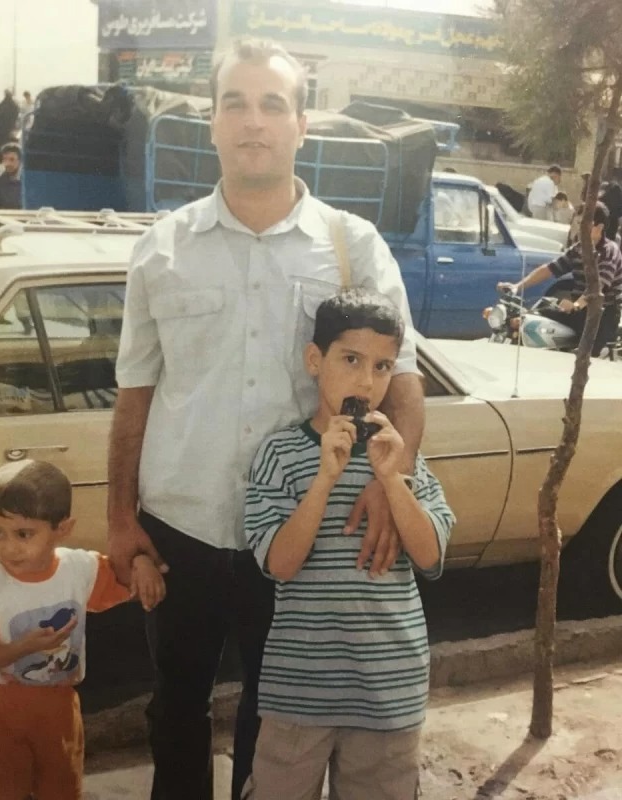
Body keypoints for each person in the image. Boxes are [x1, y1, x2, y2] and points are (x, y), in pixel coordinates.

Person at [108, 36, 425, 800]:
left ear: (301, 125)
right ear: (213, 122)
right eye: (236, 103)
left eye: (273, 105)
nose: (254, 121)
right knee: (175, 707)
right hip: (180, 528)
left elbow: (405, 385)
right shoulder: (162, 249)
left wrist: (391, 485)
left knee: (277, 717)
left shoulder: (353, 247)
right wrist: (119, 517)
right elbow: (135, 395)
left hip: (297, 534)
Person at [243, 289, 455, 800]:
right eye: (351, 360)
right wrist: (324, 479)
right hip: (300, 688)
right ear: (315, 360)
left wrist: (392, 479)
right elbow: (280, 564)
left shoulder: (400, 457)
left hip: (389, 687)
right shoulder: (280, 454)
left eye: (382, 367)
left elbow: (430, 556)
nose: (366, 381)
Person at [0, 459, 166, 800]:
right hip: (6, 710)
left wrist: (141, 563)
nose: (8, 547)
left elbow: (124, 577)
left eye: (23, 534)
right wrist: (25, 647)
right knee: (10, 791)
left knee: (62, 787)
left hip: (61, 707)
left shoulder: (78, 570)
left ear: (63, 529)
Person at [497, 202, 622, 356]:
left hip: (603, 315)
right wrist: (517, 286)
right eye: (578, 223)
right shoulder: (578, 249)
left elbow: (597, 287)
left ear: (599, 227)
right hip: (580, 313)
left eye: (584, 224)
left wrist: (576, 305)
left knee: (584, 356)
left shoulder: (608, 251)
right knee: (536, 316)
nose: (579, 228)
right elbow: (550, 269)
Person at [0, 89, 19, 158]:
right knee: (5, 144)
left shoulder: (3, 104)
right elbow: (15, 116)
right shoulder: (14, 105)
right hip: (8, 128)